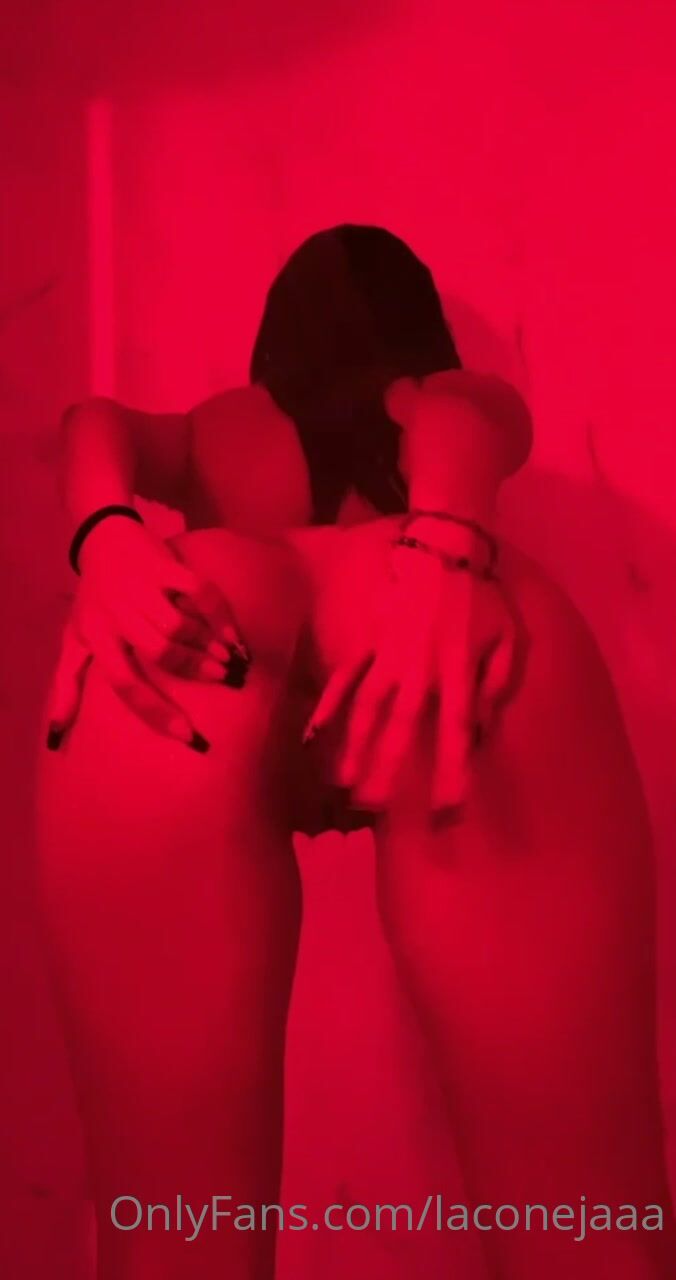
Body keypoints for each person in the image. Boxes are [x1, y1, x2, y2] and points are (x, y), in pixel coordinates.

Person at [35, 225, 674, 1280]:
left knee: (168, 1240)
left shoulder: (218, 430)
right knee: (584, 1234)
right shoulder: (429, 397)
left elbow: (91, 422)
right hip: (432, 620)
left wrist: (105, 533)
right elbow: (471, 418)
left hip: (193, 619)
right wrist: (446, 541)